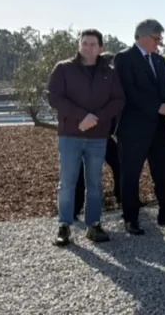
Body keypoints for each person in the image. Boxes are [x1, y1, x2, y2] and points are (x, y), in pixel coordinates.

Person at [47, 29, 125, 247]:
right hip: (70, 134)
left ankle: (94, 224)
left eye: (93, 44)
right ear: (78, 45)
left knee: (95, 182)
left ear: (100, 47)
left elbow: (118, 100)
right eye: (85, 43)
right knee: (67, 182)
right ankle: (64, 225)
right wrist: (82, 116)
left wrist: (96, 118)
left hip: (98, 137)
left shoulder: (109, 72)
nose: (88, 47)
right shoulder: (63, 69)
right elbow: (54, 97)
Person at [115, 19, 165, 235]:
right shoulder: (124, 58)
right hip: (133, 129)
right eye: (156, 39)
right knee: (130, 175)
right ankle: (131, 219)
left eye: (160, 39)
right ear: (143, 36)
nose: (158, 44)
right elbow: (129, 91)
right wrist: (158, 107)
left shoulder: (159, 60)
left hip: (159, 128)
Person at [73, 52, 145, 219]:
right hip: (86, 137)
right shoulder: (92, 84)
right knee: (83, 173)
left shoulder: (115, 84)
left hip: (105, 137)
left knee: (120, 166)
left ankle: (123, 199)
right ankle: (75, 209)